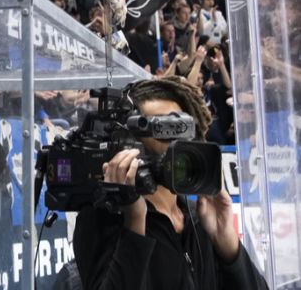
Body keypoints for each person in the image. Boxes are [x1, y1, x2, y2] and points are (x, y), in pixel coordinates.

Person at [73, 77, 267, 290]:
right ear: (130, 142)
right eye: (160, 127)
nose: (175, 139)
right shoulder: (102, 218)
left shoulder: (200, 217)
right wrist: (135, 222)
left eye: (180, 126)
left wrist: (227, 243)